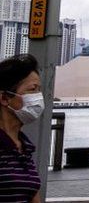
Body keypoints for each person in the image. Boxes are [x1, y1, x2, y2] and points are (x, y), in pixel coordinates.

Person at [0, 54, 43, 203]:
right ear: (5, 98)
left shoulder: (25, 147)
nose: (38, 97)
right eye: (32, 90)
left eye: (39, 90)